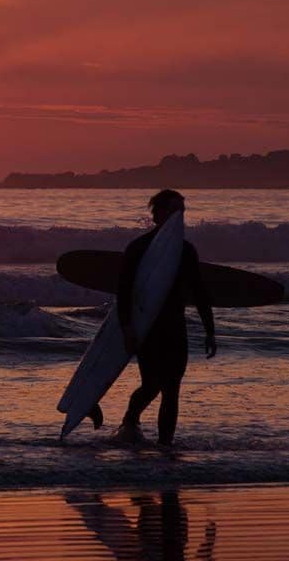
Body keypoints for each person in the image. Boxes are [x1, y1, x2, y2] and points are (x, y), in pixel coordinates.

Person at [116, 189, 216, 445]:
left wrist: (210, 330)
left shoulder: (186, 251)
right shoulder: (138, 248)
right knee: (151, 385)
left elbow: (200, 291)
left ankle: (165, 448)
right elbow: (124, 292)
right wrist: (127, 328)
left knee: (172, 390)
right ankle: (131, 417)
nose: (179, 218)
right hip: (148, 328)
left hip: (175, 327)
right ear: (158, 214)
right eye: (174, 212)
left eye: (182, 213)